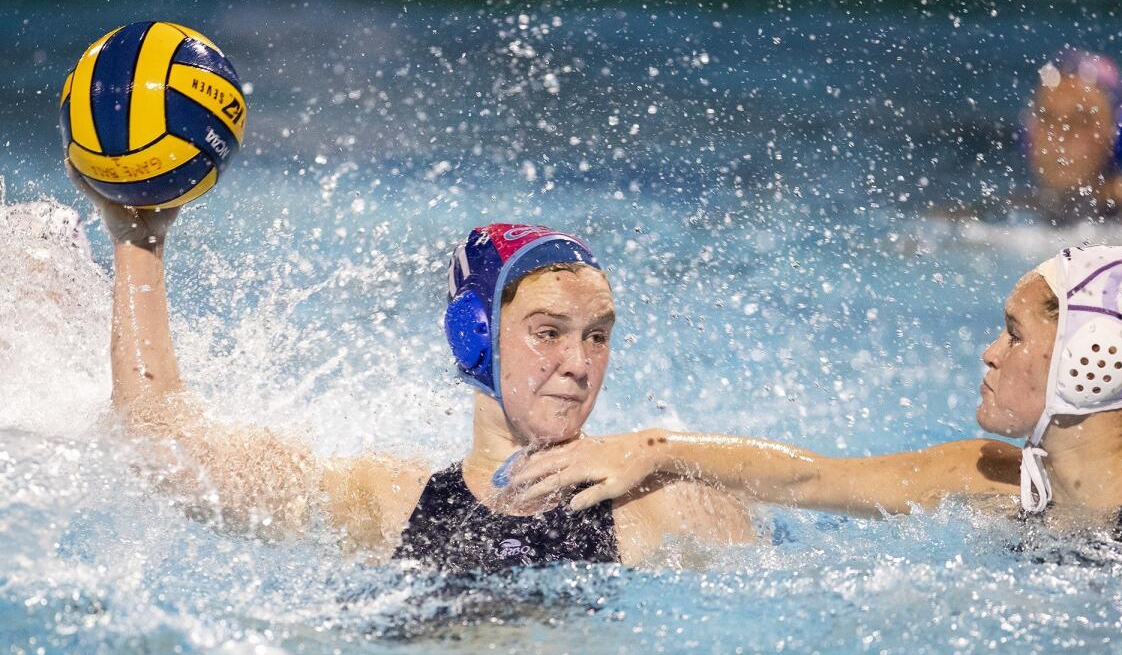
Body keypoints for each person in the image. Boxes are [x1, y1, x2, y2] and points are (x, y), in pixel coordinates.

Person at [69, 166, 753, 571]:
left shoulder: (662, 505)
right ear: (474, 333)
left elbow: (838, 501)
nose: (579, 364)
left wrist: (670, 451)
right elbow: (165, 446)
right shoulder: (386, 499)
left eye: (598, 335)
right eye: (548, 332)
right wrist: (140, 238)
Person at [507, 244, 1122, 547]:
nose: (990, 352)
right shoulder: (997, 475)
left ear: (1092, 360)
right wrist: (651, 448)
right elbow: (816, 477)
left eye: (1014, 334)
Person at [1023, 49, 1122, 225]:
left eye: (1081, 121)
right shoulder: (1013, 211)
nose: (1060, 136)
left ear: (1117, 135)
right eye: (1047, 119)